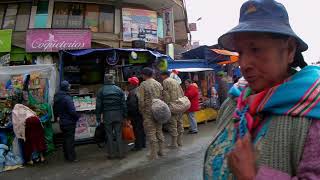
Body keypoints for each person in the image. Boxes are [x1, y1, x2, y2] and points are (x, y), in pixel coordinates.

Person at [203, 0, 320, 179]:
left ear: (289, 50)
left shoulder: (312, 112)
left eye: (256, 49)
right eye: (240, 53)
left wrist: (250, 177)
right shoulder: (234, 101)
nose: (243, 64)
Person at [96, 74, 127, 159]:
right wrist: (125, 115)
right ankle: (121, 154)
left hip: (107, 115)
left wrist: (98, 117)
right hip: (118, 115)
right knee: (119, 134)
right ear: (113, 79)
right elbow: (124, 104)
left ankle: (111, 154)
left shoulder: (101, 90)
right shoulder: (119, 90)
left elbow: (98, 106)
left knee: (109, 135)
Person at [137, 67, 164, 160]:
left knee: (151, 132)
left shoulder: (143, 85)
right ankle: (161, 150)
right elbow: (162, 97)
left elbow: (141, 100)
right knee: (159, 130)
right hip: (159, 110)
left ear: (144, 75)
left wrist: (142, 111)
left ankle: (153, 154)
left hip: (148, 112)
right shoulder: (158, 84)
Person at [53, 80, 79, 162]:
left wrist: (57, 117)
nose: (69, 87)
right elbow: (72, 111)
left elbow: (55, 110)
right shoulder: (67, 98)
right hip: (69, 122)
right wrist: (77, 117)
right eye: (68, 86)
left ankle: (66, 156)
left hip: (62, 122)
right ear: (66, 88)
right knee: (70, 141)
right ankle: (71, 157)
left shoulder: (57, 97)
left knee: (65, 139)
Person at [161, 71, 184, 148]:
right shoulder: (175, 81)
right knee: (180, 123)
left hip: (172, 105)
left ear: (164, 75)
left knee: (173, 124)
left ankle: (174, 143)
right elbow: (182, 92)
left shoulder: (165, 81)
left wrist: (166, 105)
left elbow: (166, 95)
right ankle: (180, 141)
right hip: (179, 104)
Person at [127, 76, 146, 151]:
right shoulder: (140, 90)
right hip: (142, 113)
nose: (129, 85)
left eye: (129, 83)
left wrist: (130, 115)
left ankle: (138, 146)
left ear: (132, 84)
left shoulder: (132, 92)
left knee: (137, 130)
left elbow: (132, 105)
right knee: (141, 129)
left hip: (136, 114)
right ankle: (143, 144)